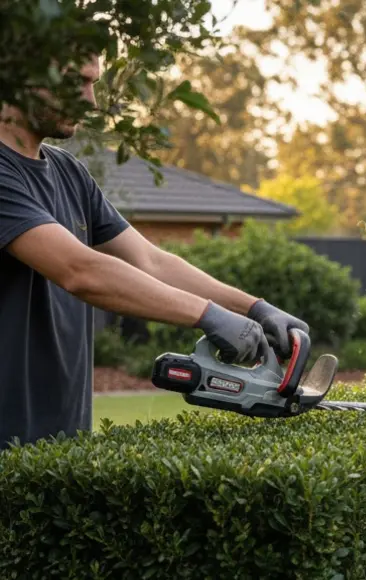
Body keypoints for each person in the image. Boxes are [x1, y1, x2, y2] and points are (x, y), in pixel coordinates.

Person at [1, 56, 310, 448]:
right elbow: (80, 270)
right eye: (76, 81)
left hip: (60, 447)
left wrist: (254, 309)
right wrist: (208, 316)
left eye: (93, 83)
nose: (91, 101)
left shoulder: (69, 173)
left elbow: (150, 261)